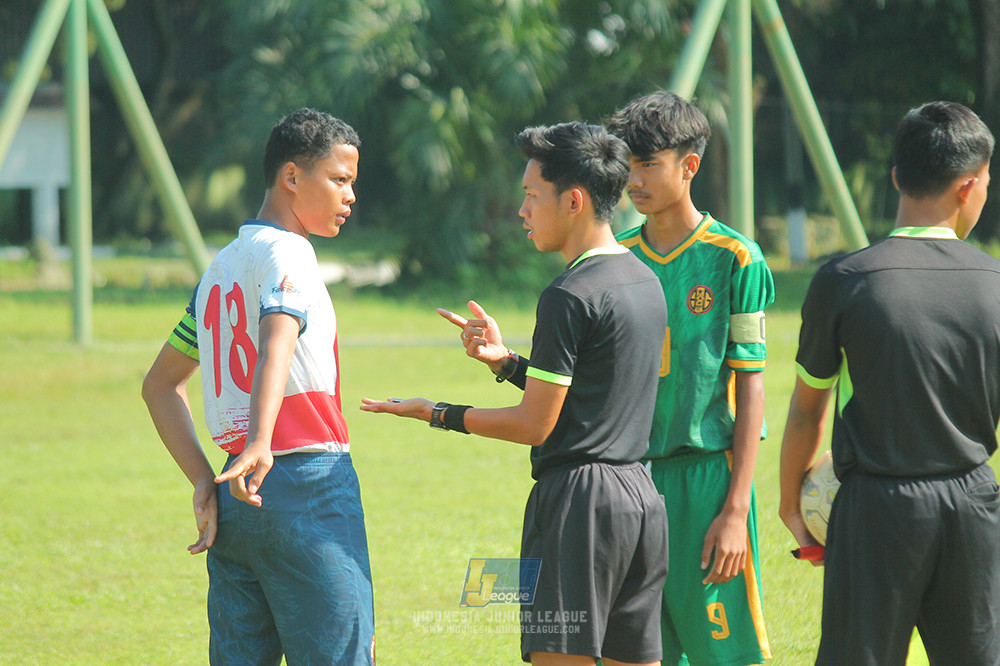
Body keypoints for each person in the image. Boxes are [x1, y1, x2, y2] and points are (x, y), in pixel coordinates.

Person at [361, 122, 669, 666]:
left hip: (578, 505)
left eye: (531, 196)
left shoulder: (568, 295)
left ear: (573, 200)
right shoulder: (643, 279)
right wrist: (506, 363)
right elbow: (592, 391)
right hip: (640, 499)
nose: (522, 211)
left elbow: (534, 425)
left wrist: (437, 413)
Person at [142, 108, 375, 665]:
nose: (350, 196)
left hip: (235, 498)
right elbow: (278, 339)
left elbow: (159, 385)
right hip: (304, 483)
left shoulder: (220, 267)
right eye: (339, 180)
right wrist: (260, 442)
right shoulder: (290, 252)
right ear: (292, 177)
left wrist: (205, 478)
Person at [779, 101, 1000, 665]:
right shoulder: (994, 285)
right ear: (969, 186)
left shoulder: (844, 280)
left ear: (897, 175)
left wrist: (792, 507)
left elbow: (808, 410)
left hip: (875, 508)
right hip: (970, 502)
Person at [607, 91, 773, 665]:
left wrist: (733, 511)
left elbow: (751, 390)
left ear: (689, 166)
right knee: (643, 648)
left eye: (648, 164)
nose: (635, 179)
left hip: (706, 479)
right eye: (628, 164)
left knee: (720, 653)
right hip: (632, 479)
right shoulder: (618, 259)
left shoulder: (735, 258)